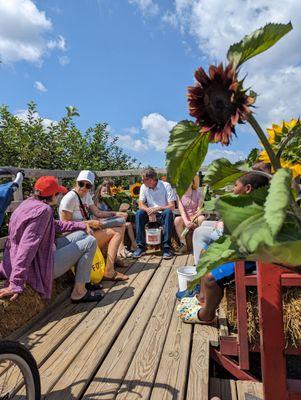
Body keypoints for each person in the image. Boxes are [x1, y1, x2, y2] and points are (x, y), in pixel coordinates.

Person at [177, 172, 270, 324]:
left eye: (235, 185)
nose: (233, 189)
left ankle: (206, 314)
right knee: (205, 253)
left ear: (247, 188)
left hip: (253, 258)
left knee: (210, 278)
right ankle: (201, 297)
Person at [0, 176, 103, 303]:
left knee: (82, 235)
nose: (59, 196)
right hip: (36, 267)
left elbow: (54, 225)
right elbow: (27, 247)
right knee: (90, 242)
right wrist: (16, 282)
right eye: (58, 193)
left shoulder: (29, 203)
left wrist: (82, 225)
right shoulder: (44, 210)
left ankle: (84, 282)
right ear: (53, 195)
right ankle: (79, 292)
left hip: (32, 256)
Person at [59, 170, 129, 281]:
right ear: (76, 183)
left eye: (88, 185)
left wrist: (116, 213)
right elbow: (64, 225)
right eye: (81, 184)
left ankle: (112, 259)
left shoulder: (86, 196)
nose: (83, 188)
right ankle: (109, 271)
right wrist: (88, 223)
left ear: (91, 187)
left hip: (87, 231)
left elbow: (98, 213)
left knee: (121, 225)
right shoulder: (70, 198)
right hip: (76, 238)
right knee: (114, 232)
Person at [132, 167, 177, 260]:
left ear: (151, 180)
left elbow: (172, 206)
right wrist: (148, 210)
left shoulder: (166, 186)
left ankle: (166, 248)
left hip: (163, 213)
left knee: (168, 212)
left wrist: (157, 208)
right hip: (150, 213)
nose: (142, 181)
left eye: (143, 179)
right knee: (139, 213)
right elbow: (140, 204)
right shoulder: (144, 187)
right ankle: (141, 247)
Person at [94, 180, 137, 256]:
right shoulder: (96, 202)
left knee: (127, 223)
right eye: (104, 191)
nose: (106, 193)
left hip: (108, 220)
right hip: (100, 221)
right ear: (99, 192)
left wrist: (120, 211)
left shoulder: (109, 201)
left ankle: (133, 245)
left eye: (107, 191)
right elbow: (97, 215)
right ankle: (122, 249)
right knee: (123, 224)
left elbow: (112, 212)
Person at [174, 176, 205, 254]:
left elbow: (199, 209)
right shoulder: (179, 195)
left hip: (196, 217)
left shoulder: (198, 193)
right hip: (186, 218)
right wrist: (187, 222)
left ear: (192, 182)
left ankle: (201, 244)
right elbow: (182, 211)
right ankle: (184, 244)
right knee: (177, 220)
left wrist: (193, 219)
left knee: (202, 219)